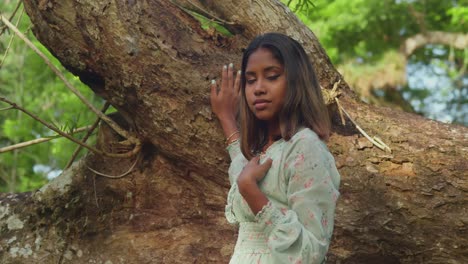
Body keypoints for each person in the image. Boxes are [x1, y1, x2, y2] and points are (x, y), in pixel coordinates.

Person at [210, 32, 340, 264]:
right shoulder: (262, 148)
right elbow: (241, 168)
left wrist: (252, 192)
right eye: (250, 80)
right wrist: (227, 118)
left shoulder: (305, 146)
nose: (258, 88)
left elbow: (309, 254)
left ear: (296, 81)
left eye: (271, 76)